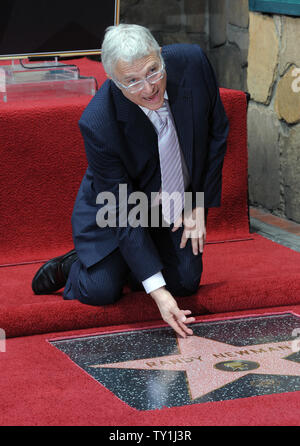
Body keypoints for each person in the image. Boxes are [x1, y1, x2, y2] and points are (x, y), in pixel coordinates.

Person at [32, 24, 229, 338]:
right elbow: (123, 210)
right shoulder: (99, 123)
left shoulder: (192, 62)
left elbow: (217, 132)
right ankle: (75, 265)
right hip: (117, 208)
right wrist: (158, 293)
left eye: (153, 71)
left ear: (160, 56)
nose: (149, 88)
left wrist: (197, 203)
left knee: (186, 283)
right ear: (113, 80)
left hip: (172, 203)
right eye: (132, 81)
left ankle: (134, 260)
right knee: (102, 289)